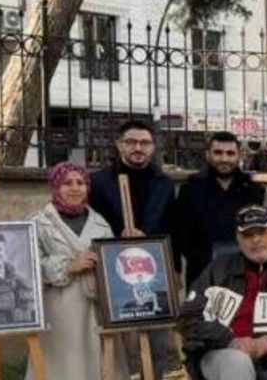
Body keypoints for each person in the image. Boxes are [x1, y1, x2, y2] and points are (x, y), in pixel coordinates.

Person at [178, 205, 267, 380]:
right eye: (248, 235)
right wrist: (229, 339)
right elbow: (189, 317)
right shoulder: (216, 272)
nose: (256, 240)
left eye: (262, 232)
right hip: (223, 355)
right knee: (237, 361)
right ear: (238, 240)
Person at [87, 118, 176, 376]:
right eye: (131, 142)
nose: (138, 148)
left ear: (153, 147)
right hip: (113, 272)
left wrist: (175, 271)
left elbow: (173, 227)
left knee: (159, 340)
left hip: (155, 272)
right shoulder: (99, 182)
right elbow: (92, 226)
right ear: (119, 145)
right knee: (120, 342)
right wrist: (118, 237)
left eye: (145, 143)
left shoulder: (165, 183)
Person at [27, 162, 129, 380]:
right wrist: (69, 266)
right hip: (60, 307)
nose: (75, 188)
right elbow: (29, 268)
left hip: (97, 306)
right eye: (67, 183)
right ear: (55, 187)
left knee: (103, 363)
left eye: (80, 183)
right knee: (65, 364)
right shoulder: (39, 223)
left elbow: (113, 264)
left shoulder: (100, 223)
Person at [172, 131, 267, 286]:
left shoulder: (254, 191)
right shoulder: (190, 189)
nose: (224, 159)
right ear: (208, 155)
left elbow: (261, 232)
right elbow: (179, 234)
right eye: (218, 153)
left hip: (244, 274)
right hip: (201, 274)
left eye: (230, 153)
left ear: (239, 156)